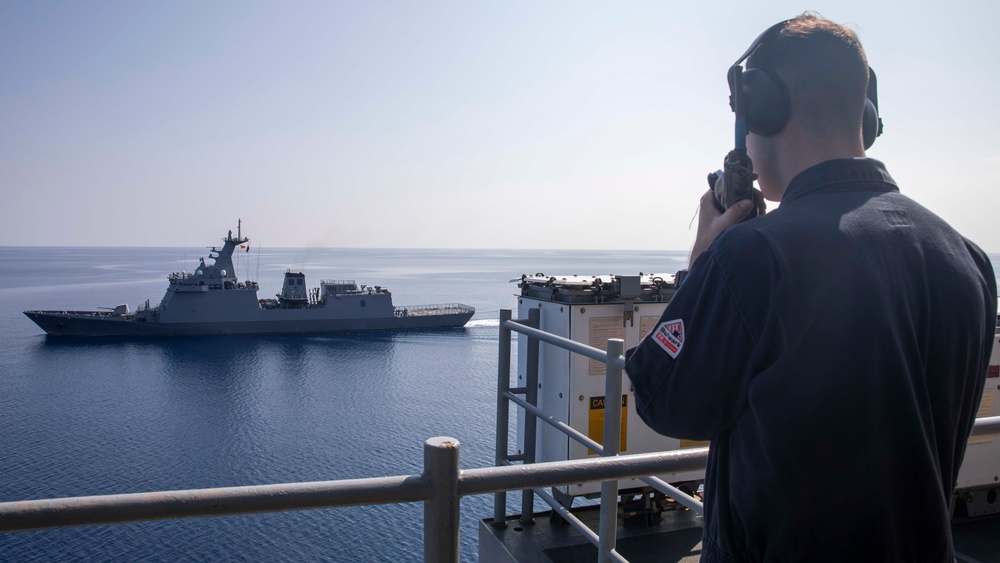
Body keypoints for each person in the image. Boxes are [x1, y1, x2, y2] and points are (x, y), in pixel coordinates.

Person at [625, 13, 996, 562]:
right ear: (865, 116)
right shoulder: (968, 258)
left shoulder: (750, 257)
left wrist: (702, 265)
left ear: (764, 109)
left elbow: (665, 402)